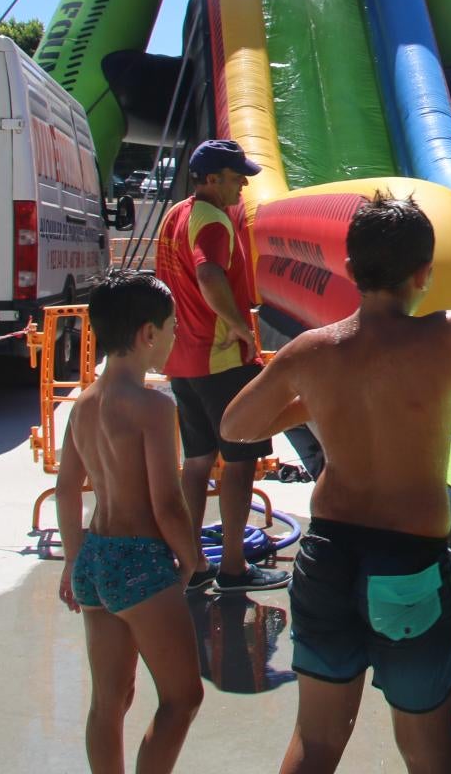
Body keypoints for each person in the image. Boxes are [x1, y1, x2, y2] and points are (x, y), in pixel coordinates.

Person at [219, 199, 451, 774]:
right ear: (425, 274)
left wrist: (307, 406)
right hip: (407, 567)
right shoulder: (446, 337)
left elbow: (234, 426)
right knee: (424, 754)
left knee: (316, 744)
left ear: (348, 267)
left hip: (328, 558)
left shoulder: (312, 350)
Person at [55, 271, 205, 774]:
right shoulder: (154, 408)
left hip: (95, 558)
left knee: (109, 701)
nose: (176, 335)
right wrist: (192, 557)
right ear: (147, 335)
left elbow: (66, 487)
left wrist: (72, 560)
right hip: (141, 561)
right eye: (172, 327)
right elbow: (166, 503)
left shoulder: (83, 404)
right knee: (182, 697)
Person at [153, 139, 287, 594]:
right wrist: (240, 326)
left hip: (183, 360)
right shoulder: (212, 221)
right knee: (241, 461)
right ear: (211, 180)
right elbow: (209, 274)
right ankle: (233, 566)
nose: (244, 184)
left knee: (195, 462)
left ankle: (191, 564)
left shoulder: (177, 214)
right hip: (220, 361)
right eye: (235, 176)